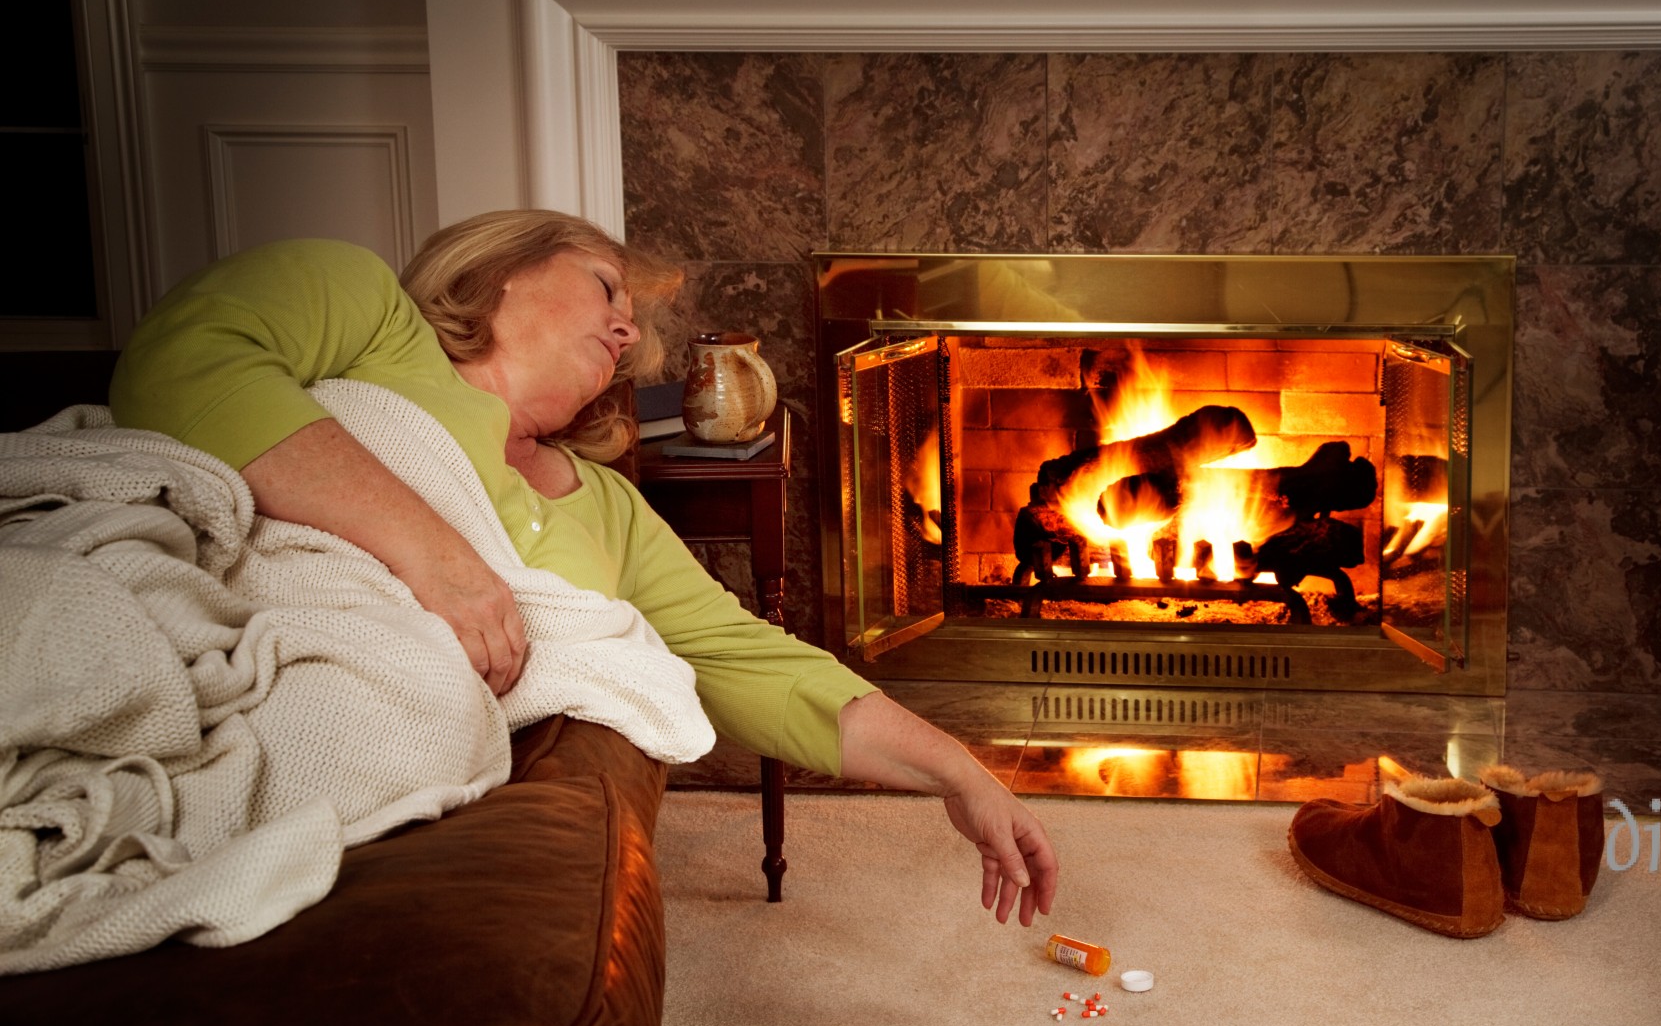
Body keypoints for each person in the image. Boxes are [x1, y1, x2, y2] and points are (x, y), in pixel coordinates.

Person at [110, 209, 1058, 926]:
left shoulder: (605, 507)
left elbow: (751, 661)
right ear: (499, 274)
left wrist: (960, 772)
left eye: (631, 326)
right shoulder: (362, 310)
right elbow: (178, 363)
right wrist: (438, 560)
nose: (625, 332)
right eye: (606, 288)